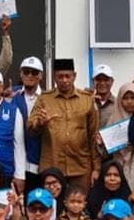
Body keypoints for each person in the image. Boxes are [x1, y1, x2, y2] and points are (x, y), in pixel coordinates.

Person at [28, 59, 100, 191]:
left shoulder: (87, 99)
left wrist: (96, 168)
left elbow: (93, 136)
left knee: (79, 205)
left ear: (74, 76)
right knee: (50, 206)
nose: (64, 80)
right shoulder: (44, 99)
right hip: (52, 166)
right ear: (54, 77)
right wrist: (40, 123)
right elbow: (30, 127)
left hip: (81, 167)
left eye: (68, 76)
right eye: (60, 76)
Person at [104, 83, 134, 191]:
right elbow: (106, 149)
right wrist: (101, 142)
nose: (129, 101)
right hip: (119, 162)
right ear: (119, 100)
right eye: (125, 98)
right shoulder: (113, 118)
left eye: (133, 98)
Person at [11, 56, 45, 190]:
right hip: (16, 163)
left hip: (40, 161)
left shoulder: (48, 97)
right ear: (21, 73)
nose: (30, 75)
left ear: (40, 75)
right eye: (26, 72)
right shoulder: (12, 96)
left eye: (34, 72)